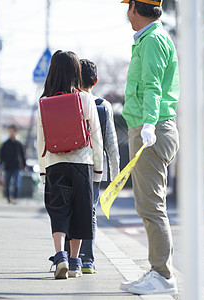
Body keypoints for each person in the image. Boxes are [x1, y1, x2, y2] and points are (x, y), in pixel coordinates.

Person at [120, 0, 180, 295]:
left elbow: (153, 86)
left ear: (134, 8)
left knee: (152, 207)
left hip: (151, 129)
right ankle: (158, 270)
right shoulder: (151, 38)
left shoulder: (153, 39)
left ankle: (163, 276)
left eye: (126, 6)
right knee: (149, 207)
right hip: (151, 127)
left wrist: (147, 124)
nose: (125, 13)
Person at [37, 50, 103, 279]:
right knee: (81, 212)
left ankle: (60, 257)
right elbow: (96, 137)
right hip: (81, 164)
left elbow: (41, 140)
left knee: (59, 211)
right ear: (76, 72)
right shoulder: (85, 99)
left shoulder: (44, 102)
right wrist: (98, 170)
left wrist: (43, 170)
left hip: (55, 164)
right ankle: (75, 262)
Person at [79, 59, 120, 273]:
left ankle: (69, 257)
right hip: (94, 168)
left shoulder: (68, 101)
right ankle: (87, 260)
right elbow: (111, 144)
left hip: (70, 165)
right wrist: (116, 175)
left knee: (69, 211)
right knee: (90, 213)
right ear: (95, 81)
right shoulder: (102, 106)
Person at [0, 125, 27, 204]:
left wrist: (24, 165)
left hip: (17, 166)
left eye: (12, 131)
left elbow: (23, 155)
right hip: (8, 166)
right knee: (7, 183)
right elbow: (1, 155)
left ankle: (14, 197)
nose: (11, 133)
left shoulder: (19, 144)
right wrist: (0, 164)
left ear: (15, 132)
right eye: (10, 132)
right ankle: (8, 197)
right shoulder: (5, 144)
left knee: (16, 184)